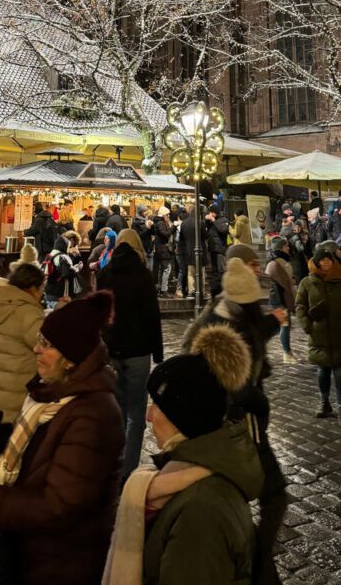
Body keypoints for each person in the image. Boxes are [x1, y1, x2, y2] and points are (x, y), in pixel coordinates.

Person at [0, 292, 125, 585]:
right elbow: (40, 459)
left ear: (70, 359)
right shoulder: (51, 395)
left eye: (46, 344)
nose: (35, 349)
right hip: (32, 554)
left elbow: (58, 506)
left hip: (60, 564)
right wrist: (5, 441)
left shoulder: (92, 415)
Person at [104, 323, 264, 585]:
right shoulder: (185, 477)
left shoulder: (201, 514)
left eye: (158, 405)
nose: (148, 415)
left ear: (185, 419)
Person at [184, 260, 286, 577]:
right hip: (240, 425)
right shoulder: (225, 330)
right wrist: (258, 400)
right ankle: (255, 553)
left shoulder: (225, 313)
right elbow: (235, 386)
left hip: (236, 424)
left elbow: (252, 335)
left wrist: (271, 324)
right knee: (274, 492)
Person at [97, 229, 163, 477]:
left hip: (112, 349)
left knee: (117, 410)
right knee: (136, 413)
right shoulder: (143, 275)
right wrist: (157, 353)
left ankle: (112, 462)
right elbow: (151, 316)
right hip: (138, 350)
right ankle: (128, 470)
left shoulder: (105, 273)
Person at [295, 242, 341, 430]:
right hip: (319, 335)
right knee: (322, 371)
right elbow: (300, 306)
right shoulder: (307, 283)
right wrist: (308, 325)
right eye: (322, 260)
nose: (326, 263)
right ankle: (324, 403)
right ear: (316, 262)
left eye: (328, 260)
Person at [0, 254, 46, 424]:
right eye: (41, 289)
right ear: (32, 288)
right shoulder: (28, 314)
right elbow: (49, 345)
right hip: (15, 404)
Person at [266, 236, 298, 363]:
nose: (288, 248)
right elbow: (285, 282)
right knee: (284, 326)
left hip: (279, 298)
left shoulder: (278, 261)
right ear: (281, 248)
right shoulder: (277, 263)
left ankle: (287, 352)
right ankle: (287, 354)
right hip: (279, 299)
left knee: (283, 326)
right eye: (286, 246)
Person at [177, 203, 208, 299]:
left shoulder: (184, 223)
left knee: (190, 273)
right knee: (201, 273)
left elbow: (181, 238)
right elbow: (205, 236)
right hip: (200, 251)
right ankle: (201, 292)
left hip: (189, 251)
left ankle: (191, 292)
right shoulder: (200, 222)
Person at [42, 234, 83, 306]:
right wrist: (77, 268)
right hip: (60, 294)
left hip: (49, 292)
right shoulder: (63, 257)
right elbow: (67, 273)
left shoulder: (49, 255)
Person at [205, 204, 230, 297]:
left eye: (211, 212)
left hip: (220, 249)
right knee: (214, 270)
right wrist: (207, 220)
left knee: (221, 270)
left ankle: (224, 289)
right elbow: (208, 229)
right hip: (212, 248)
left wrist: (214, 221)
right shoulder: (213, 220)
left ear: (215, 213)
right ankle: (217, 290)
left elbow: (223, 230)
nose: (210, 214)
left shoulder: (224, 219)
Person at [153, 205, 174, 296]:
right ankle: (163, 289)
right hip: (162, 250)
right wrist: (173, 228)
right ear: (164, 215)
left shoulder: (158, 222)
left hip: (161, 249)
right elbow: (165, 234)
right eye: (168, 214)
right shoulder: (161, 223)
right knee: (167, 269)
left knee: (163, 269)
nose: (169, 216)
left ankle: (161, 288)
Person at [131, 204, 155, 273]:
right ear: (140, 212)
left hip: (149, 247)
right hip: (141, 248)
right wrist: (147, 229)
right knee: (143, 269)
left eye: (146, 211)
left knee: (150, 269)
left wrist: (152, 226)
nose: (146, 213)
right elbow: (137, 236)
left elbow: (153, 233)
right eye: (144, 211)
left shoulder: (148, 220)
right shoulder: (135, 223)